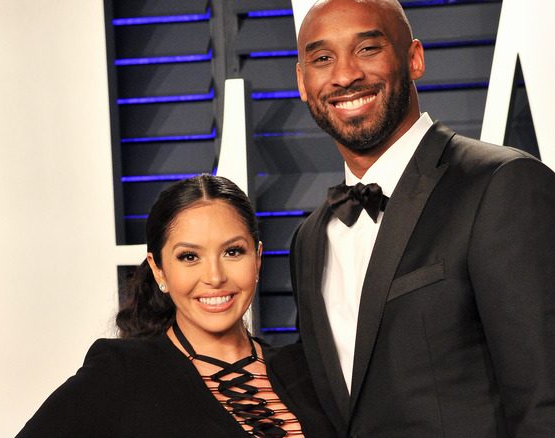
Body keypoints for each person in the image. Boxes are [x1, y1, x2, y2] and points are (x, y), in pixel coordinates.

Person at [290, 0, 555, 436]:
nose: (344, 75)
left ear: (414, 59)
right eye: (323, 59)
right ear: (303, 82)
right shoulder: (309, 239)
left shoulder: (503, 186)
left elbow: (552, 412)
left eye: (367, 49)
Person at [17, 174, 336, 438]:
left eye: (233, 252)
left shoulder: (305, 368)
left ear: (258, 257)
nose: (214, 276)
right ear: (158, 270)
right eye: (189, 257)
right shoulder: (123, 372)